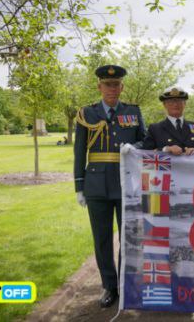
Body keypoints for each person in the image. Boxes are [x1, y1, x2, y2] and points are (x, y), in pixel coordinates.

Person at [74, 64, 146, 308]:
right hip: (96, 184)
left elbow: (145, 140)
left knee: (127, 237)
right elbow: (79, 151)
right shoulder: (87, 113)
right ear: (99, 86)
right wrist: (79, 185)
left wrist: (135, 148)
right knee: (102, 238)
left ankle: (126, 283)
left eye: (116, 85)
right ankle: (109, 286)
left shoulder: (133, 112)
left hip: (126, 183)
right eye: (107, 84)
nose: (112, 89)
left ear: (122, 86)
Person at [139, 87, 194, 154]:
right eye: (171, 101)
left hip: (193, 167)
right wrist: (166, 149)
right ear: (164, 105)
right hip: (168, 167)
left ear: (184, 104)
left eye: (179, 101)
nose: (175, 104)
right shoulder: (155, 129)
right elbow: (145, 154)